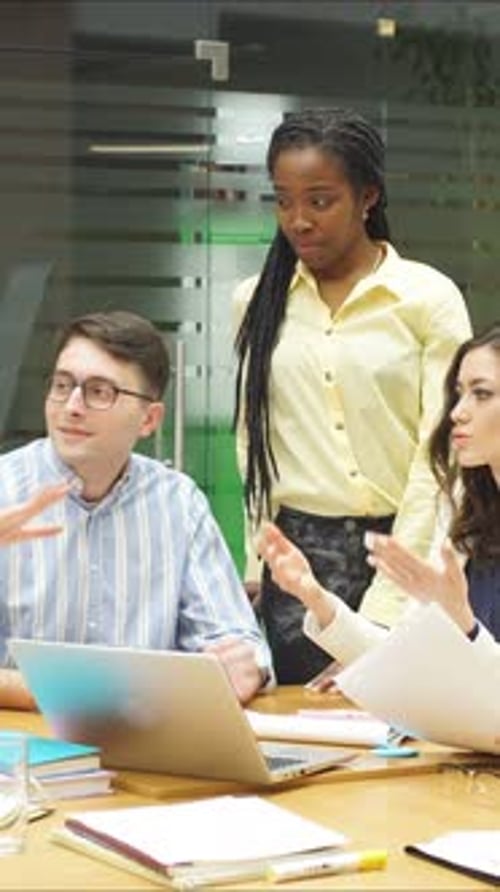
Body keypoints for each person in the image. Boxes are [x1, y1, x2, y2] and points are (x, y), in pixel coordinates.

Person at [233, 106, 472, 684]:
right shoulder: (256, 301)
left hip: (406, 547)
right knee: (310, 734)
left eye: (319, 200)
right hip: (298, 562)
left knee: (408, 734)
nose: (298, 220)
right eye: (283, 200)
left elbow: (441, 451)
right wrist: (256, 560)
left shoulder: (426, 298)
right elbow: (252, 439)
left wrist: (390, 598)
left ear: (367, 196)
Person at [0, 311, 272, 710]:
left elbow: (235, 642)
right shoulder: (6, 492)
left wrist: (244, 664)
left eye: (99, 392)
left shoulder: (177, 502)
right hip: (18, 747)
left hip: (145, 740)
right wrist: (108, 695)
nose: (72, 406)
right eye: (62, 385)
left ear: (149, 419)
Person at [259, 324, 500, 667]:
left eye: (482, 394)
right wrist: (316, 598)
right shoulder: (465, 507)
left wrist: (464, 625)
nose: (457, 412)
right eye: (459, 393)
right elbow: (405, 661)